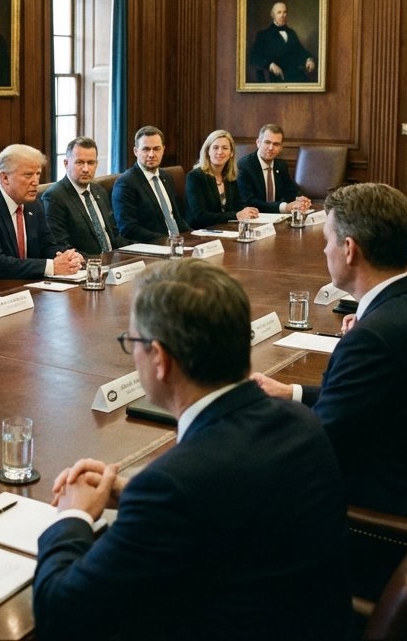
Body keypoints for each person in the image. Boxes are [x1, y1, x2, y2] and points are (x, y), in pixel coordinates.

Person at [33, 259, 350, 640]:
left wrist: (74, 516)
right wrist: (132, 494)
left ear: (160, 359)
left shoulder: (173, 486)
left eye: (133, 342)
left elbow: (61, 615)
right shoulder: (301, 423)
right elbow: (227, 504)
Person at [252, 183, 407, 518]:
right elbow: (364, 400)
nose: (325, 250)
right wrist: (291, 393)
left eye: (328, 241)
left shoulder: (372, 337)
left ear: (350, 249)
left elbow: (320, 447)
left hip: (374, 507)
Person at [0, 144, 84, 286]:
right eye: (28, 175)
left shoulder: (33, 204)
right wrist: (52, 267)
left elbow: (47, 246)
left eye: (38, 174)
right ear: (5, 178)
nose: (36, 182)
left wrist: (67, 258)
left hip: (22, 285)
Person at [40, 136, 129, 255]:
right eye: (79, 162)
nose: (86, 169)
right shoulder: (54, 197)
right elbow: (61, 246)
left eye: (91, 163)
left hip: (113, 258)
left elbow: (114, 235)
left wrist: (137, 250)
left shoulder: (99, 191)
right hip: (85, 263)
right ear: (66, 164)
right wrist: (96, 262)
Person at [111, 125, 193, 243]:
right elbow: (128, 228)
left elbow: (175, 217)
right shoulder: (125, 183)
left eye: (156, 149)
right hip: (152, 246)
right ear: (136, 151)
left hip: (176, 244)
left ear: (163, 150)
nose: (151, 154)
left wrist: (194, 236)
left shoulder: (166, 176)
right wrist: (165, 240)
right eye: (146, 149)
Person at [185, 128, 259, 227]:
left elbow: (239, 206)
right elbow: (200, 215)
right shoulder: (195, 177)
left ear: (231, 153)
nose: (220, 152)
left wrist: (248, 211)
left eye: (225, 148)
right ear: (207, 151)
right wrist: (236, 215)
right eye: (215, 147)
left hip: (226, 229)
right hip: (200, 231)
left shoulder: (231, 177)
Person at [236, 123, 312, 214]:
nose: (271, 148)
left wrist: (300, 200)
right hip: (256, 216)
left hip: (278, 217)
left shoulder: (281, 165)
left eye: (276, 144)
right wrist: (285, 207)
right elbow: (250, 201)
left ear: (281, 147)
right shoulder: (244, 166)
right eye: (267, 142)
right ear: (258, 143)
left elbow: (290, 191)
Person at [250, 1, 316, 83]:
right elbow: (254, 56)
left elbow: (300, 51)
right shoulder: (264, 34)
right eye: (279, 12)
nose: (282, 15)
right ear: (273, 15)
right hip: (275, 77)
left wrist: (309, 59)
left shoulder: (291, 33)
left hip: (294, 74)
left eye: (284, 12)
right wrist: (271, 65)